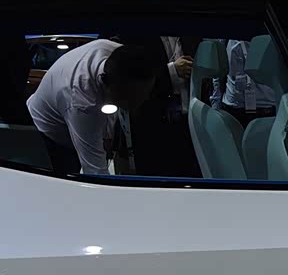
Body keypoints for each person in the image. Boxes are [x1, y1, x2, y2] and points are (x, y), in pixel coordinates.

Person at [26, 40, 158, 175]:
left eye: (146, 93)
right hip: (48, 131)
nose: (141, 101)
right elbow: (95, 171)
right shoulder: (82, 103)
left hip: (71, 104)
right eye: (133, 98)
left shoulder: (121, 56)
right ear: (110, 88)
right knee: (65, 176)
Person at [121, 35, 202, 177]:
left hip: (189, 125)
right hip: (152, 128)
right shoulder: (136, 36)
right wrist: (171, 72)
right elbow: (131, 79)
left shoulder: (192, 37)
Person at [211, 40, 276, 128]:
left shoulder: (272, 37)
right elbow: (217, 69)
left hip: (267, 109)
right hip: (233, 108)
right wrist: (215, 106)